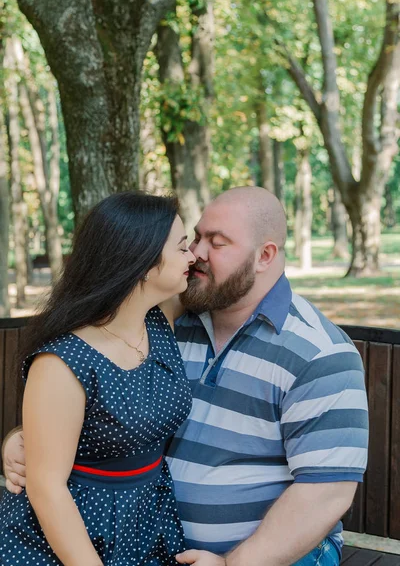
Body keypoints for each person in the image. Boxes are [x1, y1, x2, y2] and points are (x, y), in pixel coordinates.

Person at [3, 187, 369, 566]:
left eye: (218, 242)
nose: (197, 252)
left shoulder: (318, 352)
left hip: (267, 556)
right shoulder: (165, 320)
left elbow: (327, 491)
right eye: (194, 238)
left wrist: (234, 563)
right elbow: (91, 398)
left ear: (265, 256)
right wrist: (22, 441)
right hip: (139, 543)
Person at [0, 191, 196, 565]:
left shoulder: (159, 318)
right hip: (75, 531)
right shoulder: (63, 362)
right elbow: (47, 488)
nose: (193, 256)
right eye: (183, 247)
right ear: (142, 263)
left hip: (146, 517)